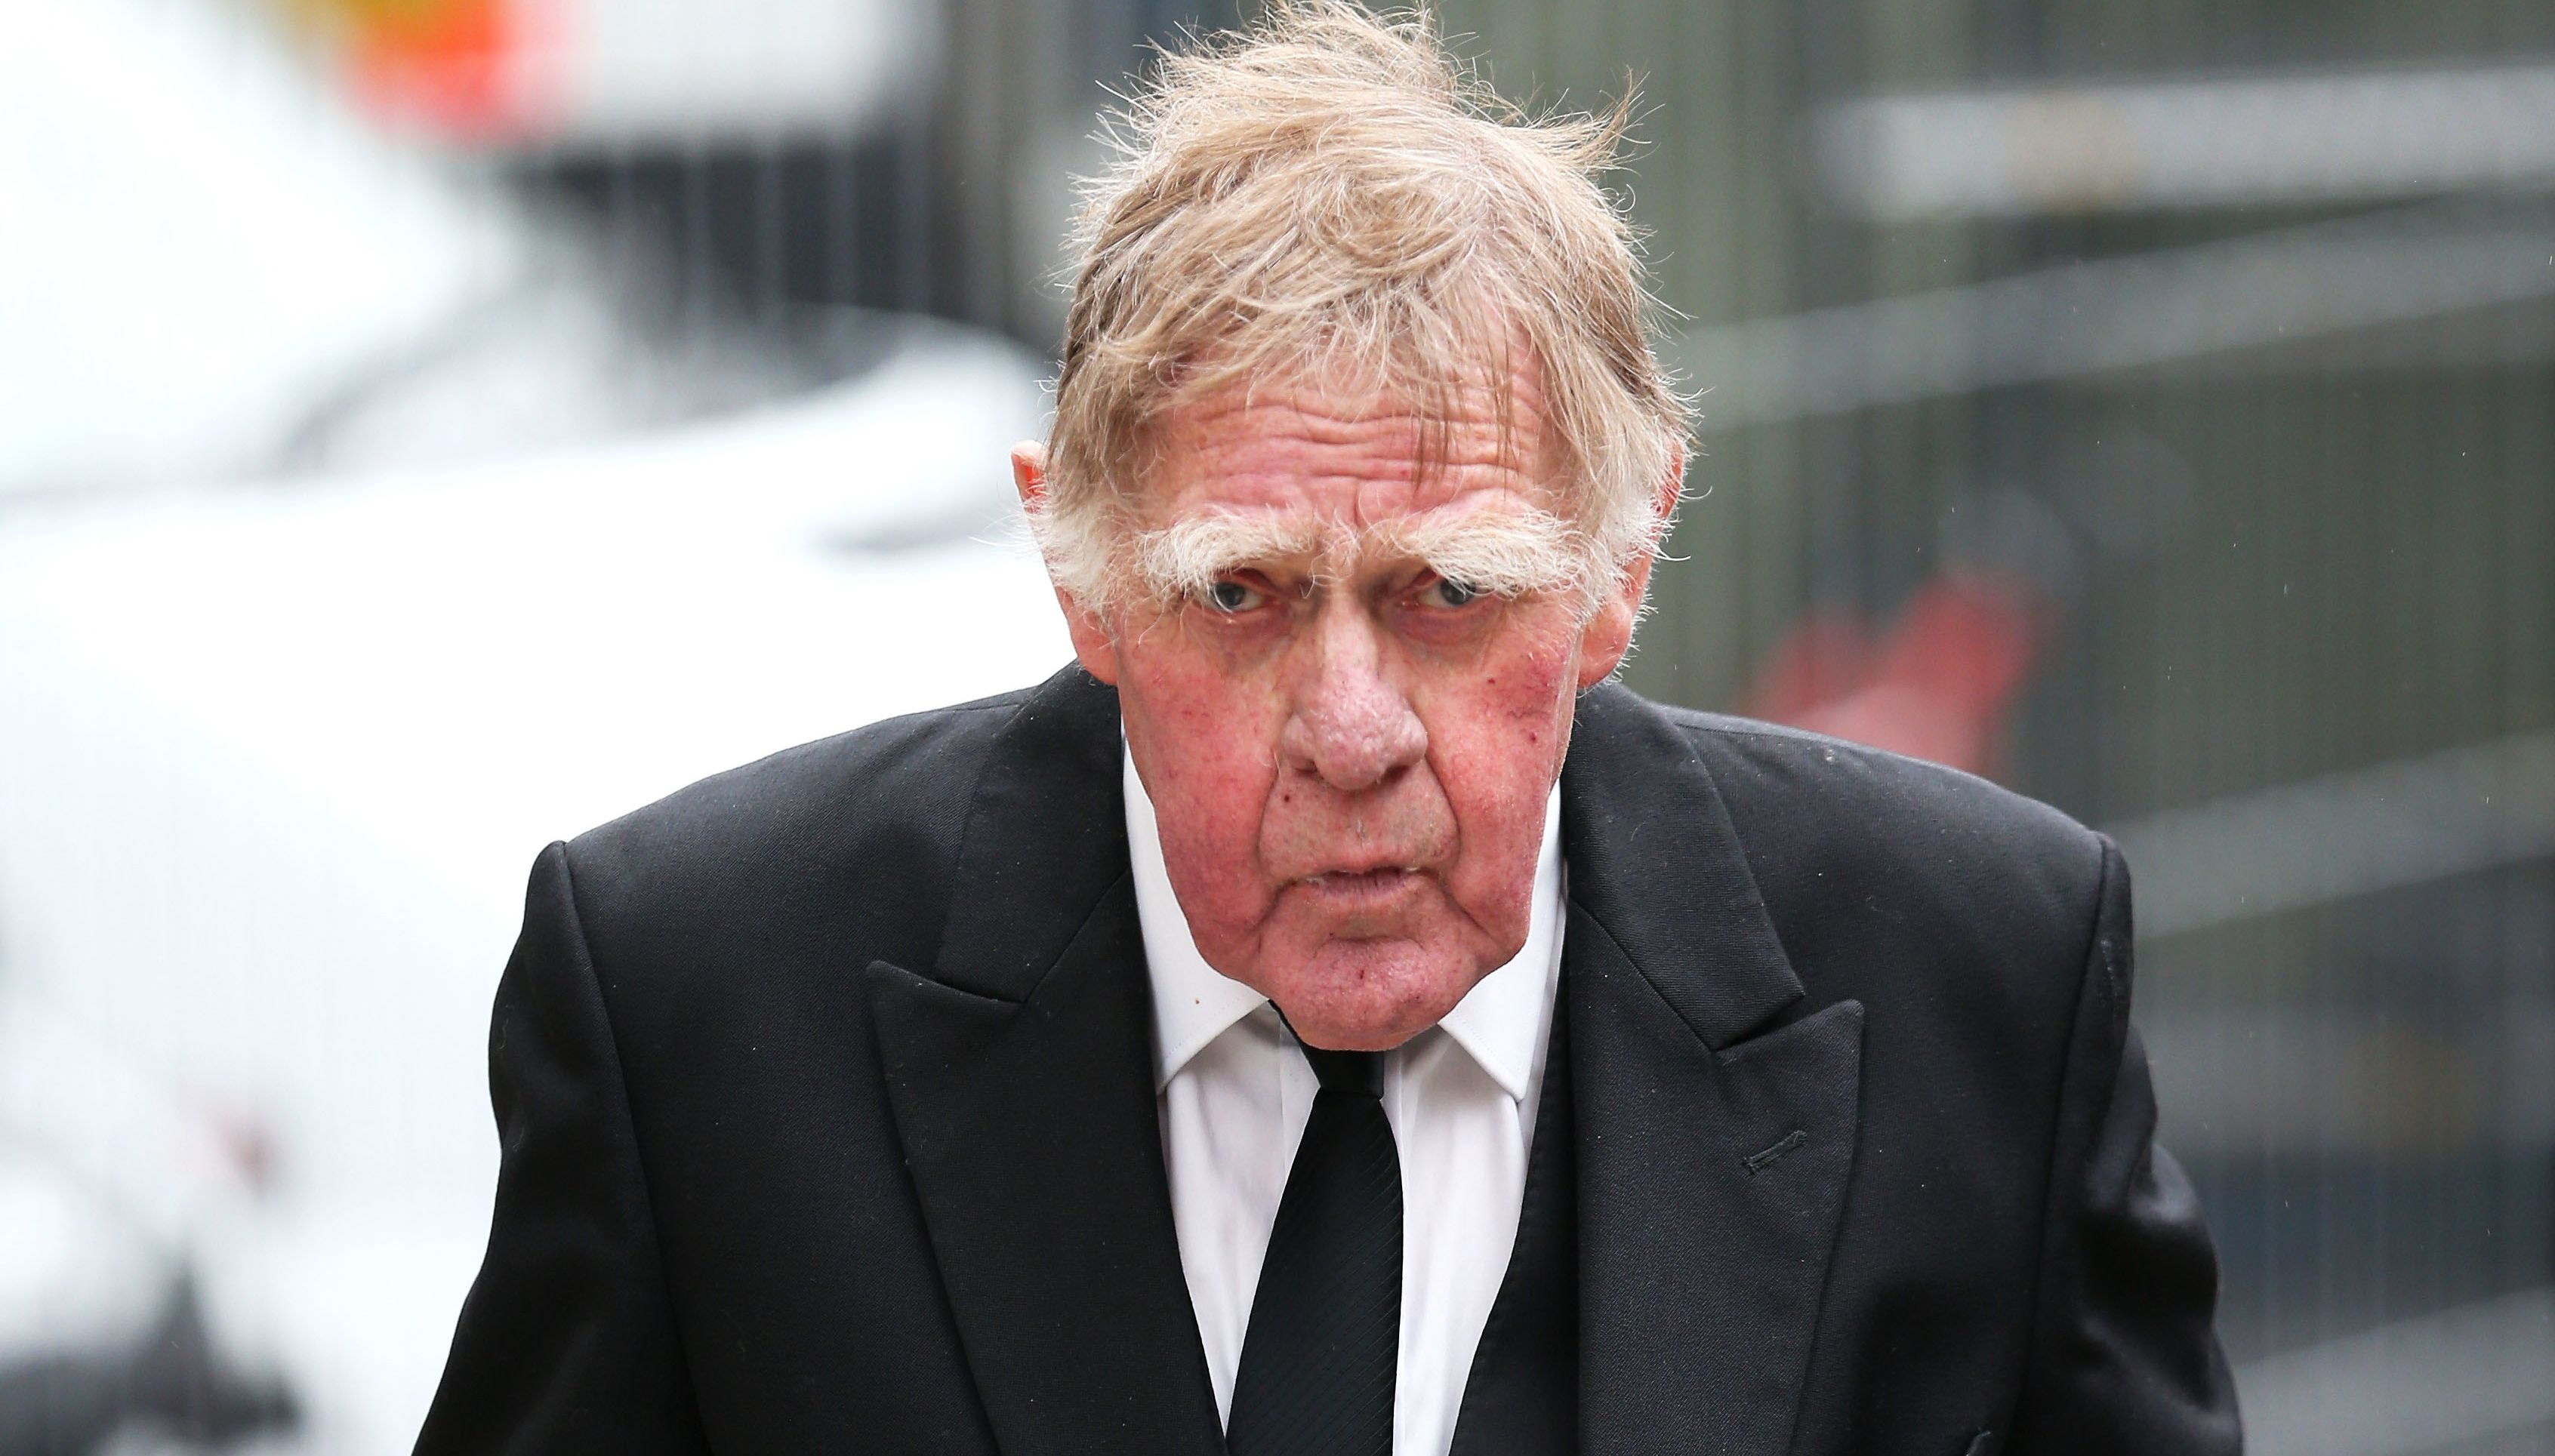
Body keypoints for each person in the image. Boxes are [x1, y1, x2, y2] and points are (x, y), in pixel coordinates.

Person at [415, 5, 2239, 1452]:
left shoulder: (1979, 977)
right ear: (1083, 572)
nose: (1351, 729)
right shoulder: (700, 1005)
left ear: (1622, 568)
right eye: (1244, 593)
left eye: (1452, 593)